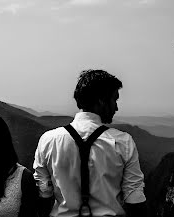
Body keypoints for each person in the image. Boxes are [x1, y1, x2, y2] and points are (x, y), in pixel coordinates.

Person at [33, 69, 147, 217]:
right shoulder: (123, 142)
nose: (116, 107)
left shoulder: (48, 140)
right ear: (101, 100)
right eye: (114, 99)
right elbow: (135, 201)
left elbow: (44, 195)